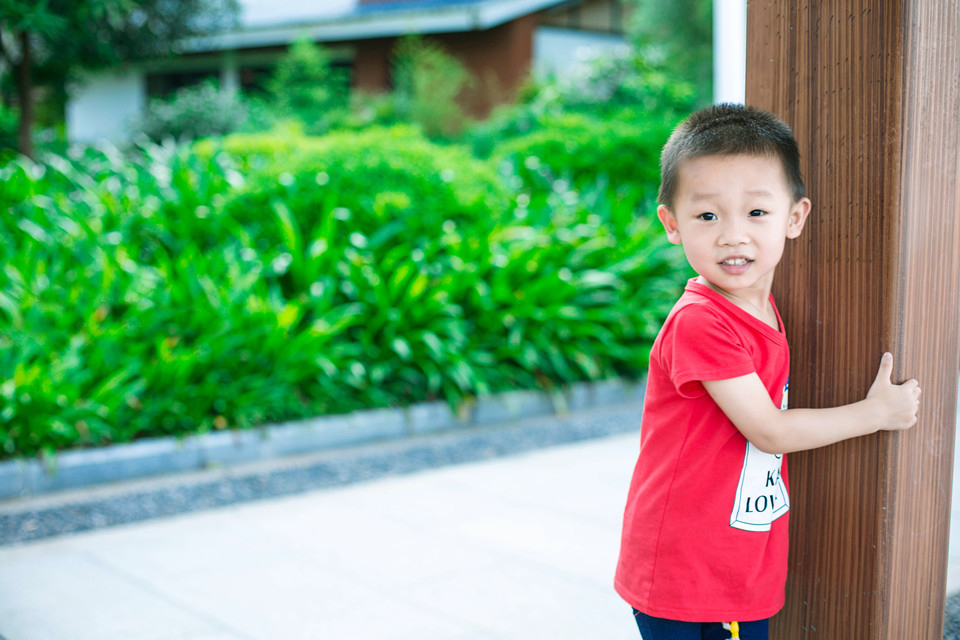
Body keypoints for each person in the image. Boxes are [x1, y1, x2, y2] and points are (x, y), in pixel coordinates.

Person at [614, 104, 921, 640]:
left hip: (738, 554)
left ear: (794, 218)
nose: (733, 235)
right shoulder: (700, 321)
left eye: (756, 213)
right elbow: (769, 429)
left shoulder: (762, 307)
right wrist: (876, 413)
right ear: (672, 224)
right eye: (708, 216)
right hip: (686, 566)